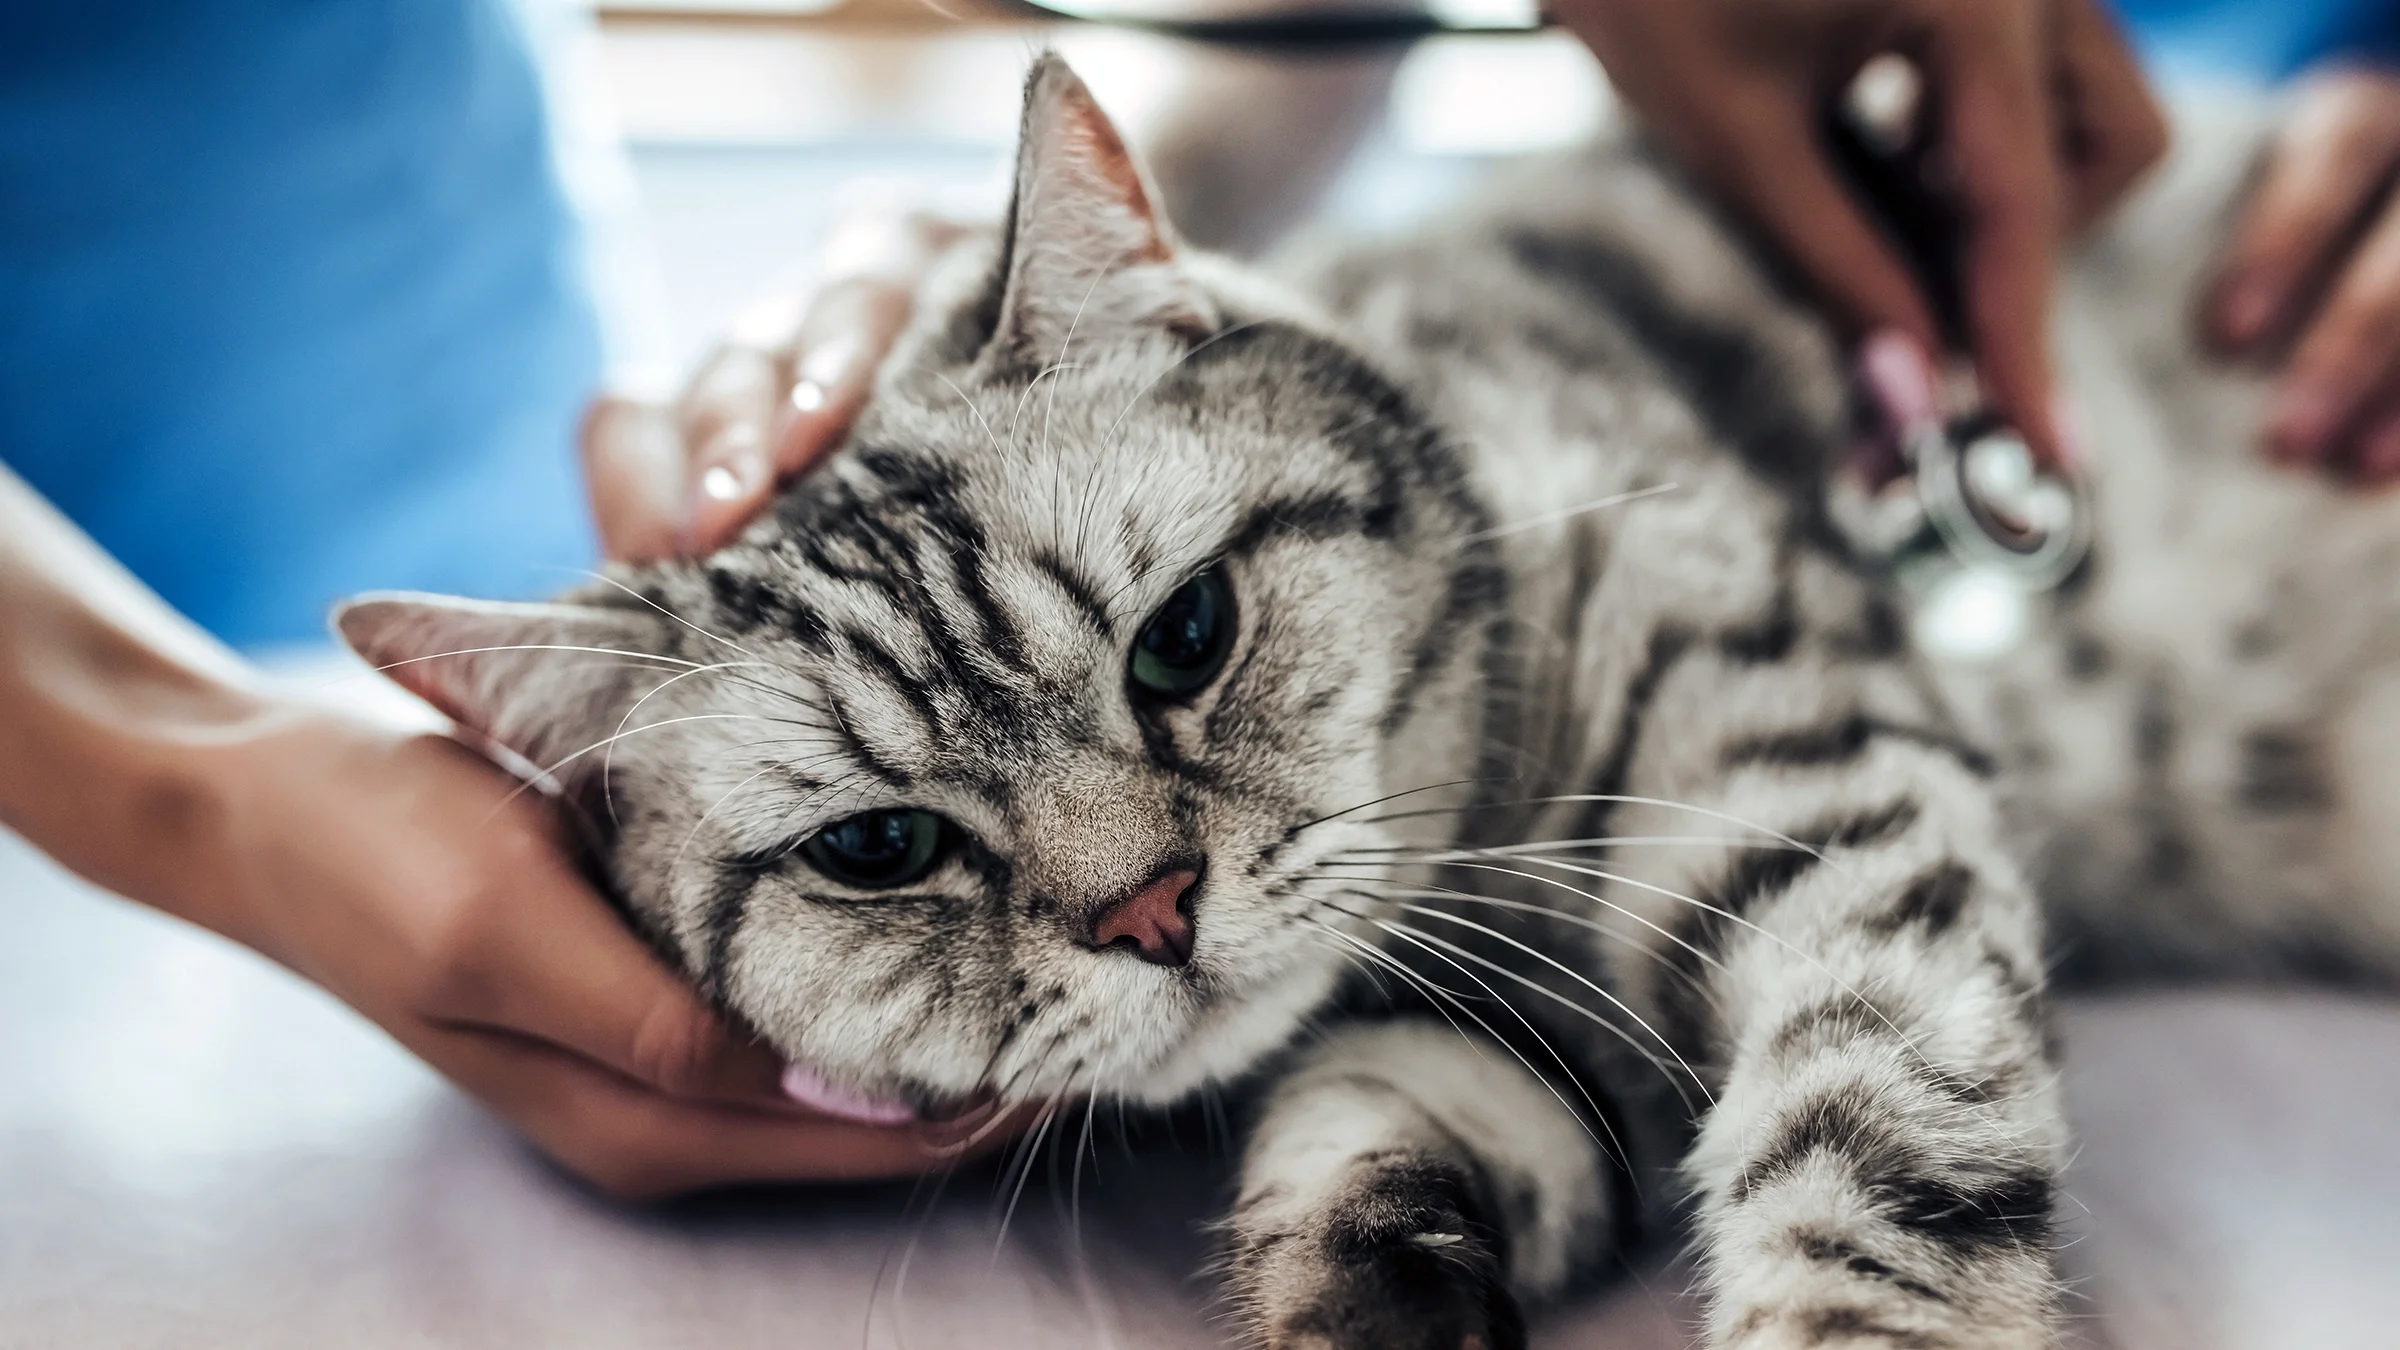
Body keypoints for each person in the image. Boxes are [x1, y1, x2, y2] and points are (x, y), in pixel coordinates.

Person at [5, 0, 2398, 1200]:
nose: (1135, 902)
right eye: (886, 849)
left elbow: (1182, 95)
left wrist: (1074, 259)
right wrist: (169, 775)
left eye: (1175, 664)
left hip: (425, 343)